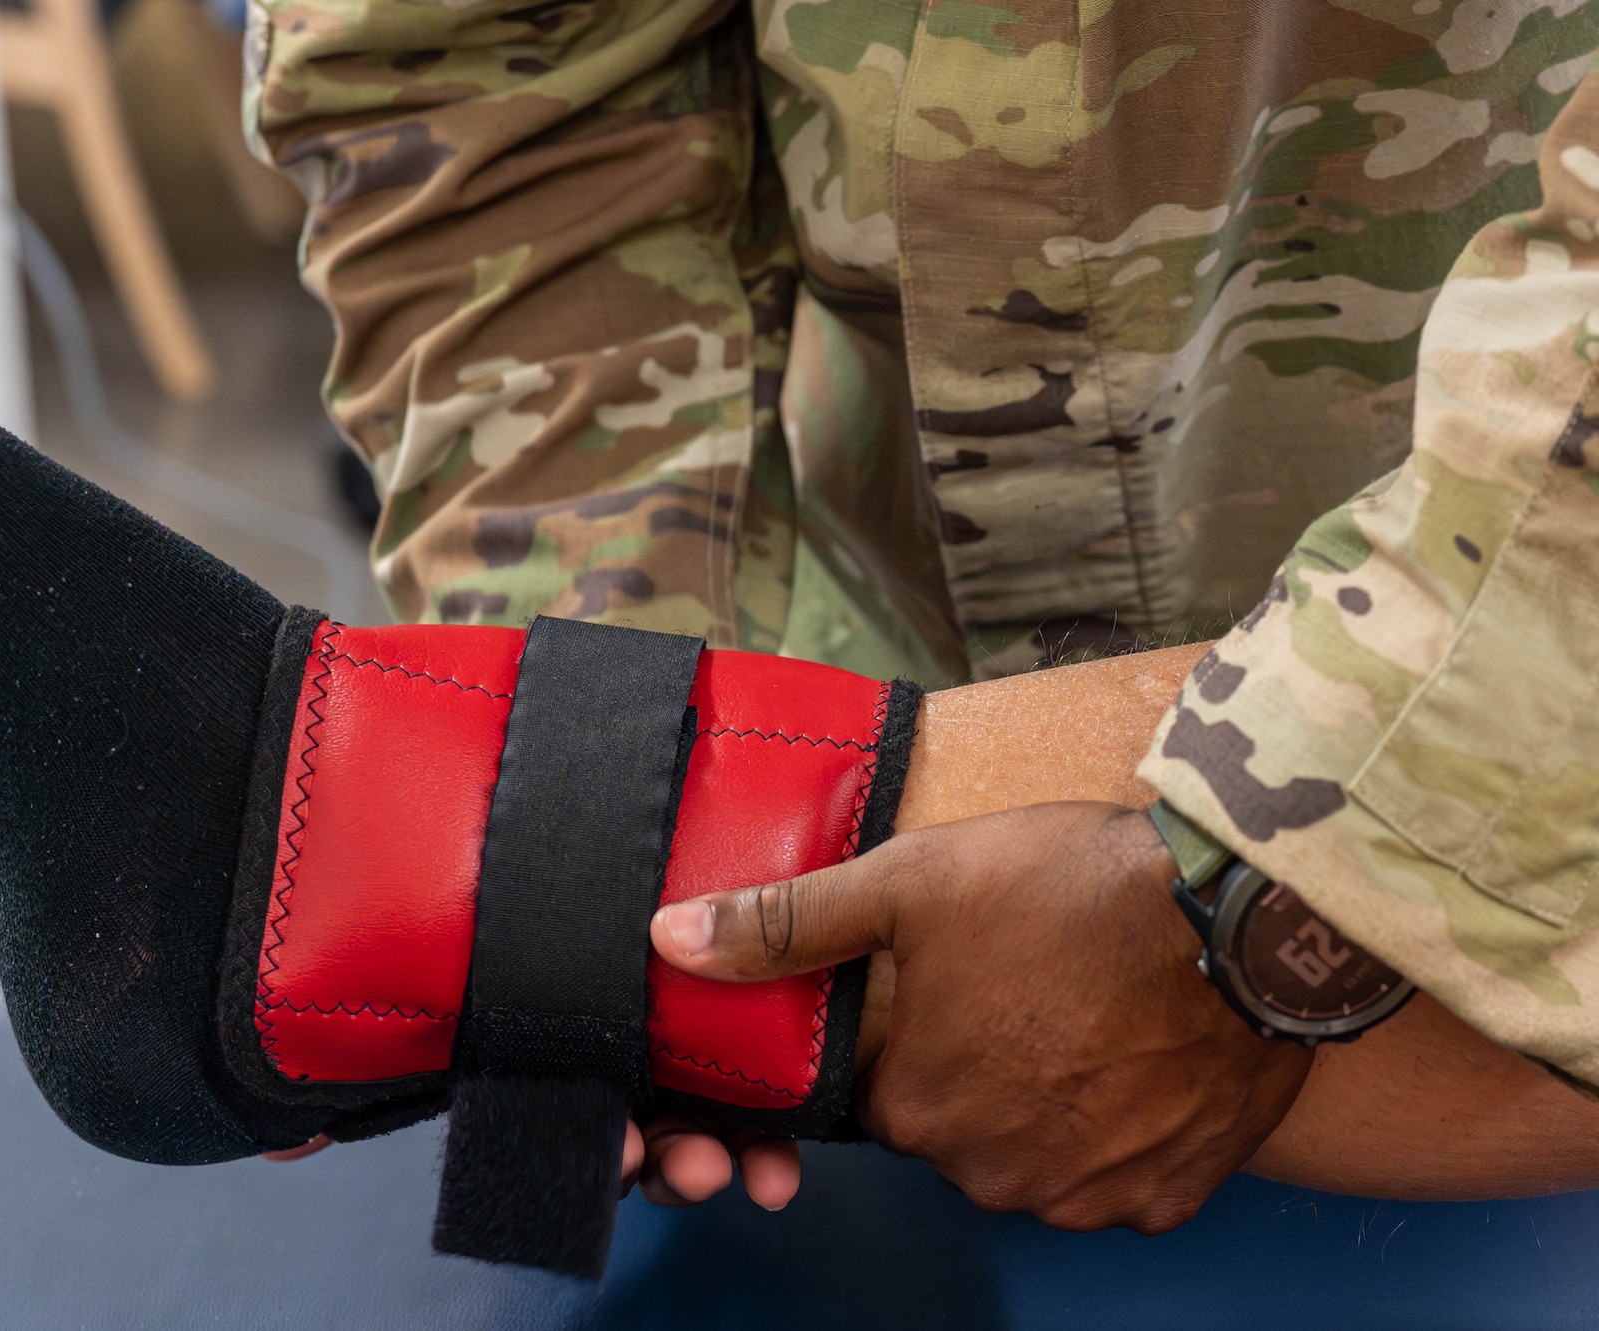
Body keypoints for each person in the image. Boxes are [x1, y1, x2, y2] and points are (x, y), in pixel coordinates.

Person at [241, 0, 1599, 1229]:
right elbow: (478, 79)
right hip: (862, 767)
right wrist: (598, 800)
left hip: (1513, 803)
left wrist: (1285, 898)